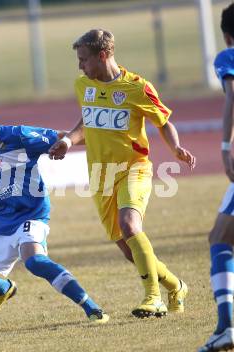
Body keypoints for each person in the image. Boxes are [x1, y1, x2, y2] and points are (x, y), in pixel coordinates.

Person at [49, 29, 196, 318]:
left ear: (103, 56)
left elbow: (163, 121)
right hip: (100, 175)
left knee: (130, 225)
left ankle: (153, 297)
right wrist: (68, 140)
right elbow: (87, 120)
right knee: (130, 251)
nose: (80, 66)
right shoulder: (83, 85)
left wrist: (175, 147)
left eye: (84, 59)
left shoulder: (137, 87)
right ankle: (176, 285)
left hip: (134, 168)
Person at [0, 87, 109, 323]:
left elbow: (66, 137)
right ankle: (2, 287)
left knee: (35, 261)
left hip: (31, 215)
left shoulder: (18, 136)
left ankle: (92, 308)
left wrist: (96, 143)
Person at [199, 4, 234, 352]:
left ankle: (227, 327)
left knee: (221, 238)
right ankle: (226, 327)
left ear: (226, 35)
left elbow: (233, 95)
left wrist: (226, 145)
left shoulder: (229, 55)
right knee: (221, 235)